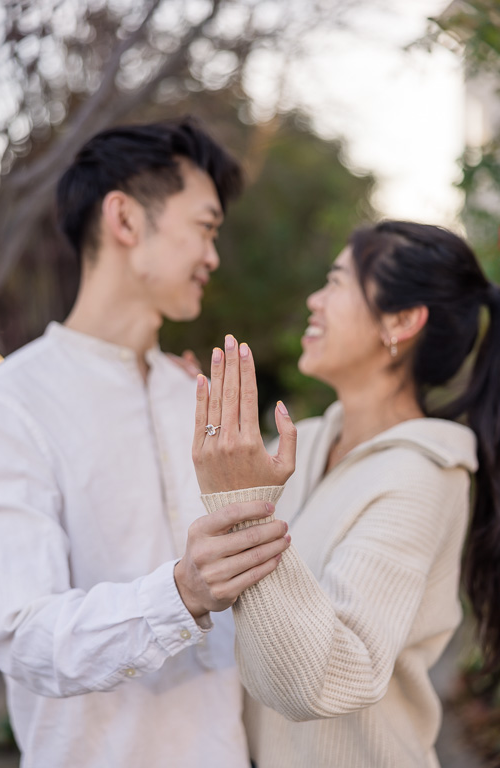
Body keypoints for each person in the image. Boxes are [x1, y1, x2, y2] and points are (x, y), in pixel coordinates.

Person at [0, 118, 291, 768]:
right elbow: (20, 635)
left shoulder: (193, 398)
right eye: (205, 227)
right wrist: (181, 593)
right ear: (125, 220)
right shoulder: (11, 403)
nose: (214, 255)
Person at [191, 221, 500, 768]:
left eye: (336, 282)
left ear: (401, 320)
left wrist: (241, 508)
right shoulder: (304, 443)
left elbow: (326, 682)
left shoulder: (423, 476)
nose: (315, 298)